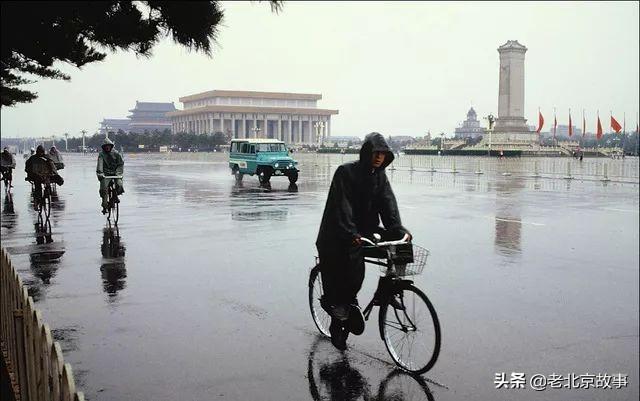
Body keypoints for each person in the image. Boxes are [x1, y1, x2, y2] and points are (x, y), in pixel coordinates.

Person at [316, 132, 411, 350]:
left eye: (383, 154)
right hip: (337, 231)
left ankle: (393, 287)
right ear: (367, 152)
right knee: (351, 263)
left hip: (365, 230)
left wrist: (398, 229)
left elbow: (389, 204)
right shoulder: (345, 173)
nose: (379, 157)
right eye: (376, 152)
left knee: (402, 244)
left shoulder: (379, 176)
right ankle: (339, 317)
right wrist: (351, 233)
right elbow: (342, 207)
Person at [96, 138, 124, 214]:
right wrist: (100, 173)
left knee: (119, 184)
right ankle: (104, 204)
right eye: (106, 146)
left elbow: (120, 164)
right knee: (104, 189)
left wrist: (118, 173)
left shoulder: (116, 154)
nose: (107, 148)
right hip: (105, 174)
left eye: (109, 146)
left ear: (111, 146)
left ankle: (115, 195)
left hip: (115, 173)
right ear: (104, 147)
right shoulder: (101, 154)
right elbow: (100, 165)